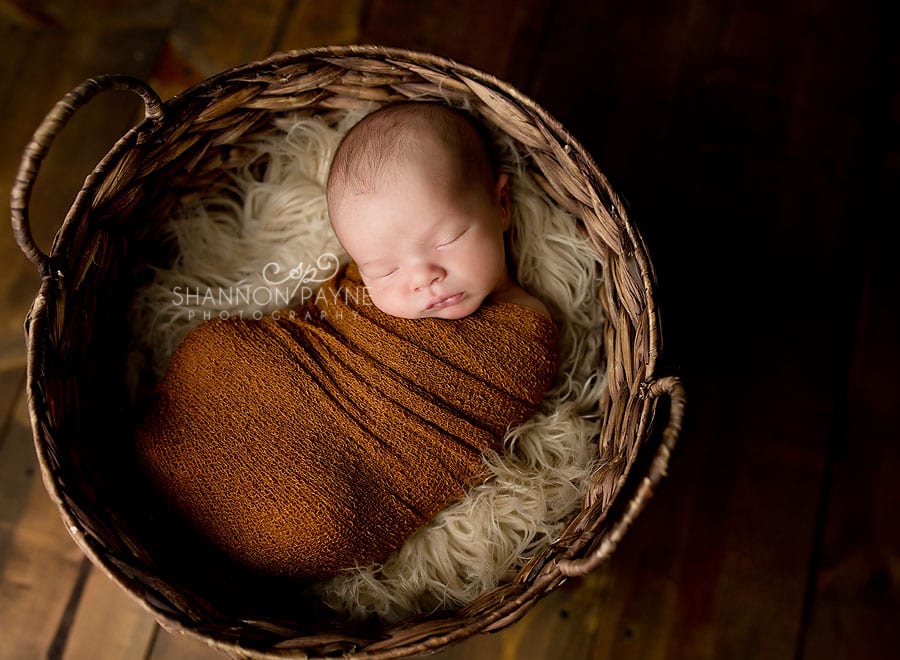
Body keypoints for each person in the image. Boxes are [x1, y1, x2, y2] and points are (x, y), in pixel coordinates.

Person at [326, 101, 548, 320]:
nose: (422, 279)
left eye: (448, 241)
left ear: (502, 204)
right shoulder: (346, 299)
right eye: (385, 271)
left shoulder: (528, 322)